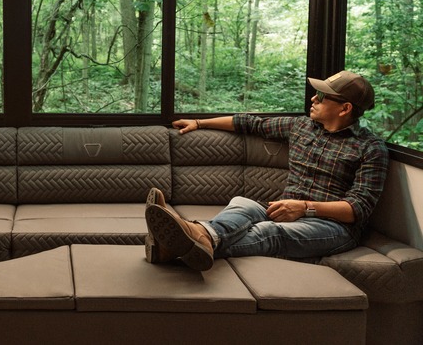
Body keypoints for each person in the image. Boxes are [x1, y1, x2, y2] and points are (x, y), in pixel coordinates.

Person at [145, 70, 389, 271]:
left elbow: (358, 209)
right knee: (242, 204)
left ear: (345, 108)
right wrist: (199, 123)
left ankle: (181, 243)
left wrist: (305, 207)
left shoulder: (370, 148)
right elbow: (249, 123)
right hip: (284, 209)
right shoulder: (301, 126)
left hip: (332, 227)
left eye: (322, 96)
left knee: (268, 231)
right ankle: (200, 236)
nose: (313, 99)